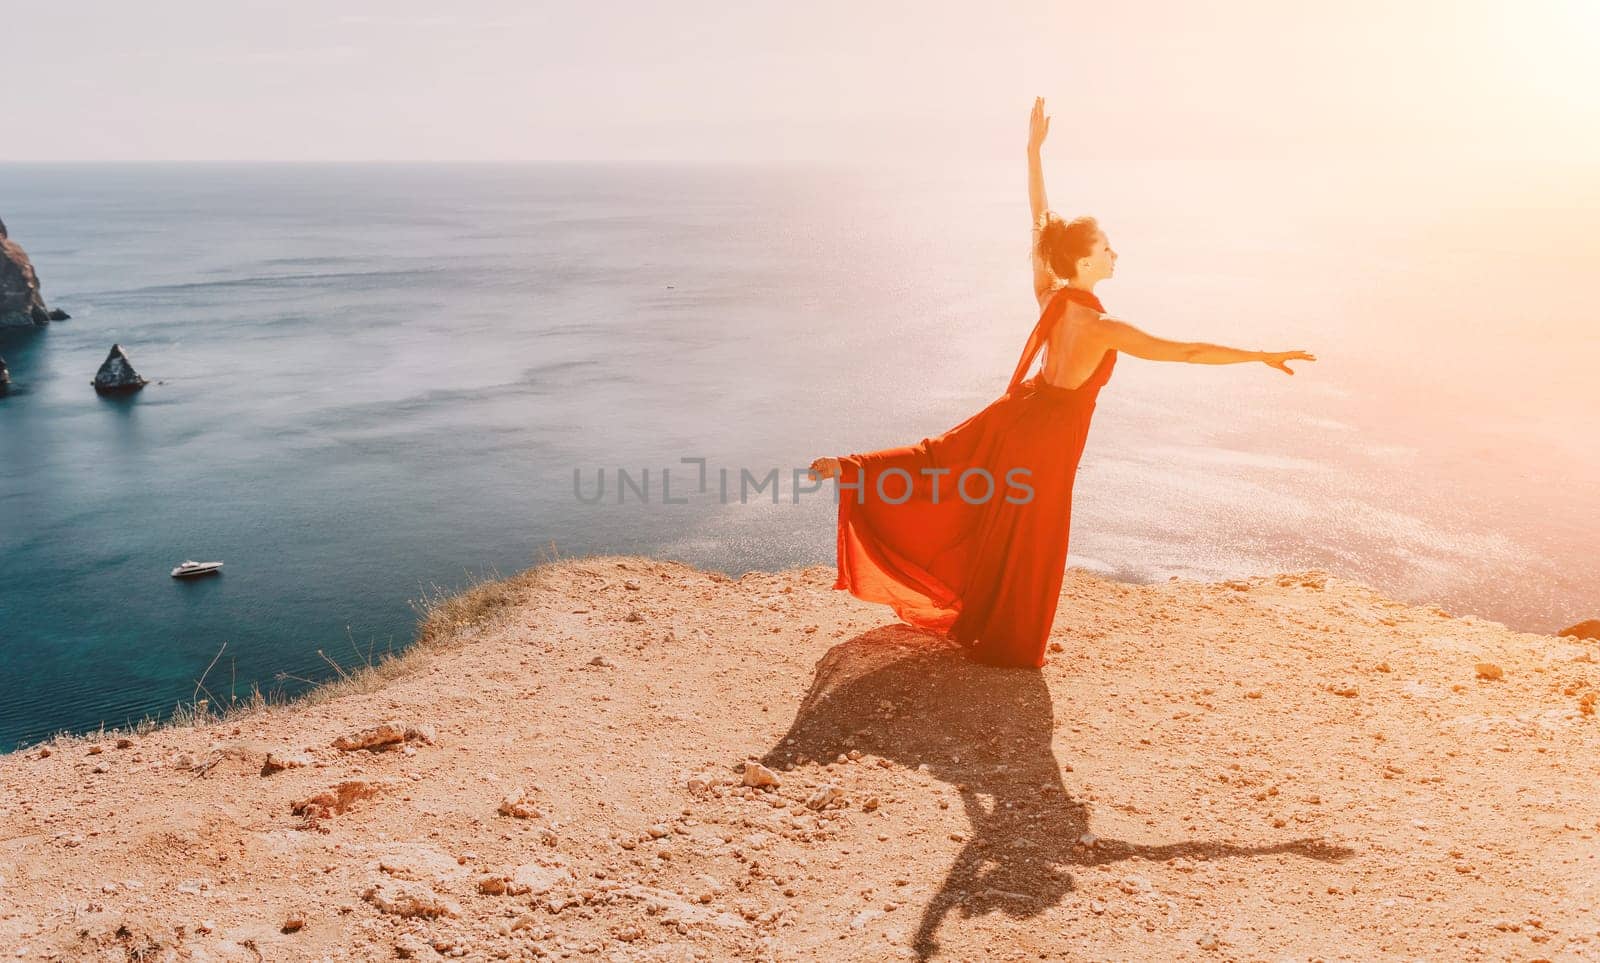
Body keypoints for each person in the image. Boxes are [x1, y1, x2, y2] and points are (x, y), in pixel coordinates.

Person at [807, 97, 1316, 668]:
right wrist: (1259, 354)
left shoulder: (1051, 295)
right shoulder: (1102, 326)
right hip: (1047, 441)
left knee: (941, 464)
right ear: (1083, 261)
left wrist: (1033, 153)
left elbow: (1039, 224)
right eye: (1105, 249)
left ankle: (850, 467)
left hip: (1017, 416)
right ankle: (1007, 645)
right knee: (1032, 538)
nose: (1115, 254)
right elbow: (1189, 351)